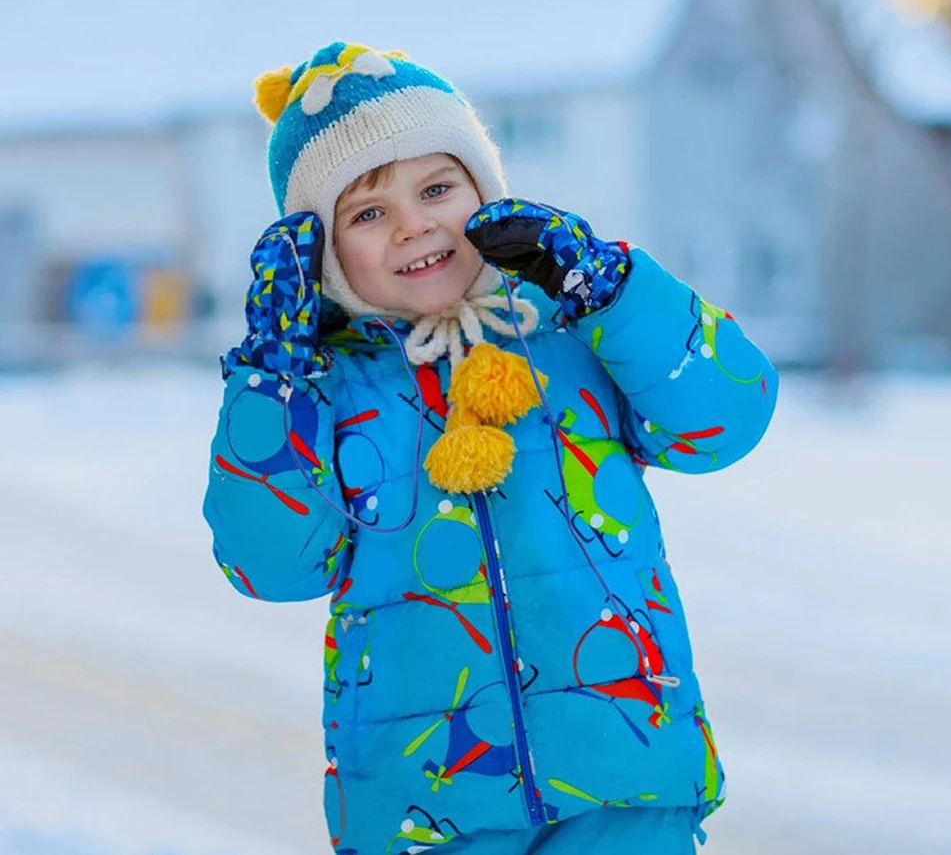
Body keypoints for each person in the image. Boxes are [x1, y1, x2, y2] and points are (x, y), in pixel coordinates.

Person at [203, 41, 778, 855]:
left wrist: (611, 287)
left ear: (485, 191)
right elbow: (269, 564)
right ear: (325, 258)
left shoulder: (573, 331)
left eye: (436, 187)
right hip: (424, 808)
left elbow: (727, 416)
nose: (415, 223)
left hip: (626, 769)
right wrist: (273, 379)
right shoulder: (323, 390)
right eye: (368, 213)